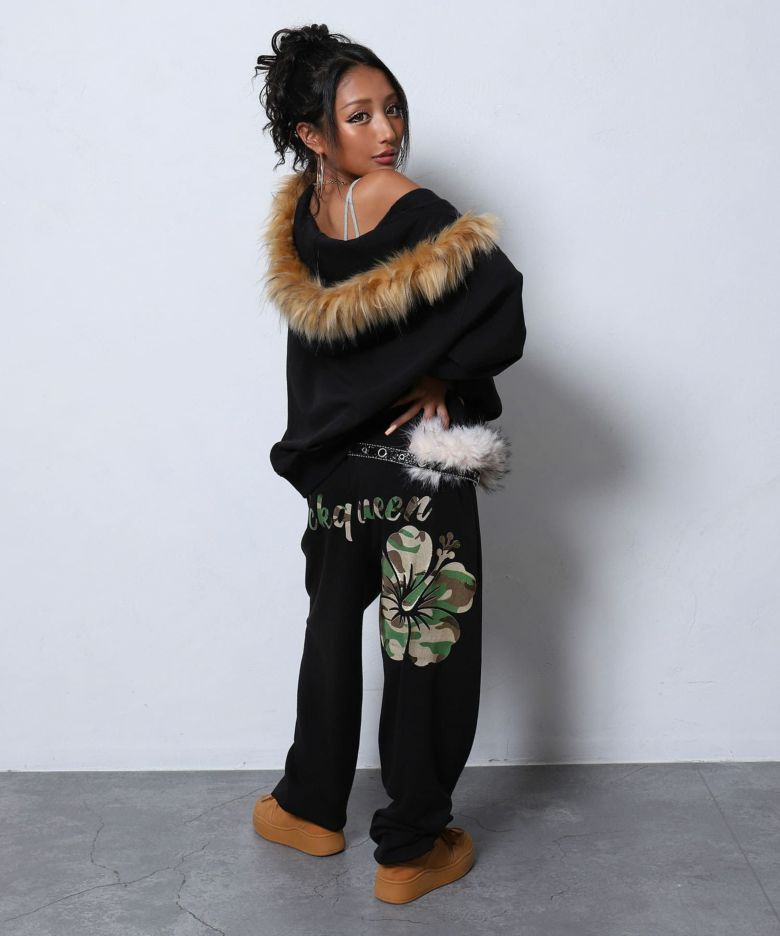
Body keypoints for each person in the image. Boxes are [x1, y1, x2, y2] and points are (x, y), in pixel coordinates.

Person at [251, 23, 526, 905]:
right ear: (313, 133)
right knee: (424, 652)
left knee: (331, 636)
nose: (388, 132)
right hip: (417, 477)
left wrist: (437, 372)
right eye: (360, 115)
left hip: (339, 476)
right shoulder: (408, 203)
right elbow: (504, 306)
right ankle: (409, 850)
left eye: (393, 108)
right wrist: (448, 374)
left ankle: (309, 809)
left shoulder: (303, 215)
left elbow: (326, 355)